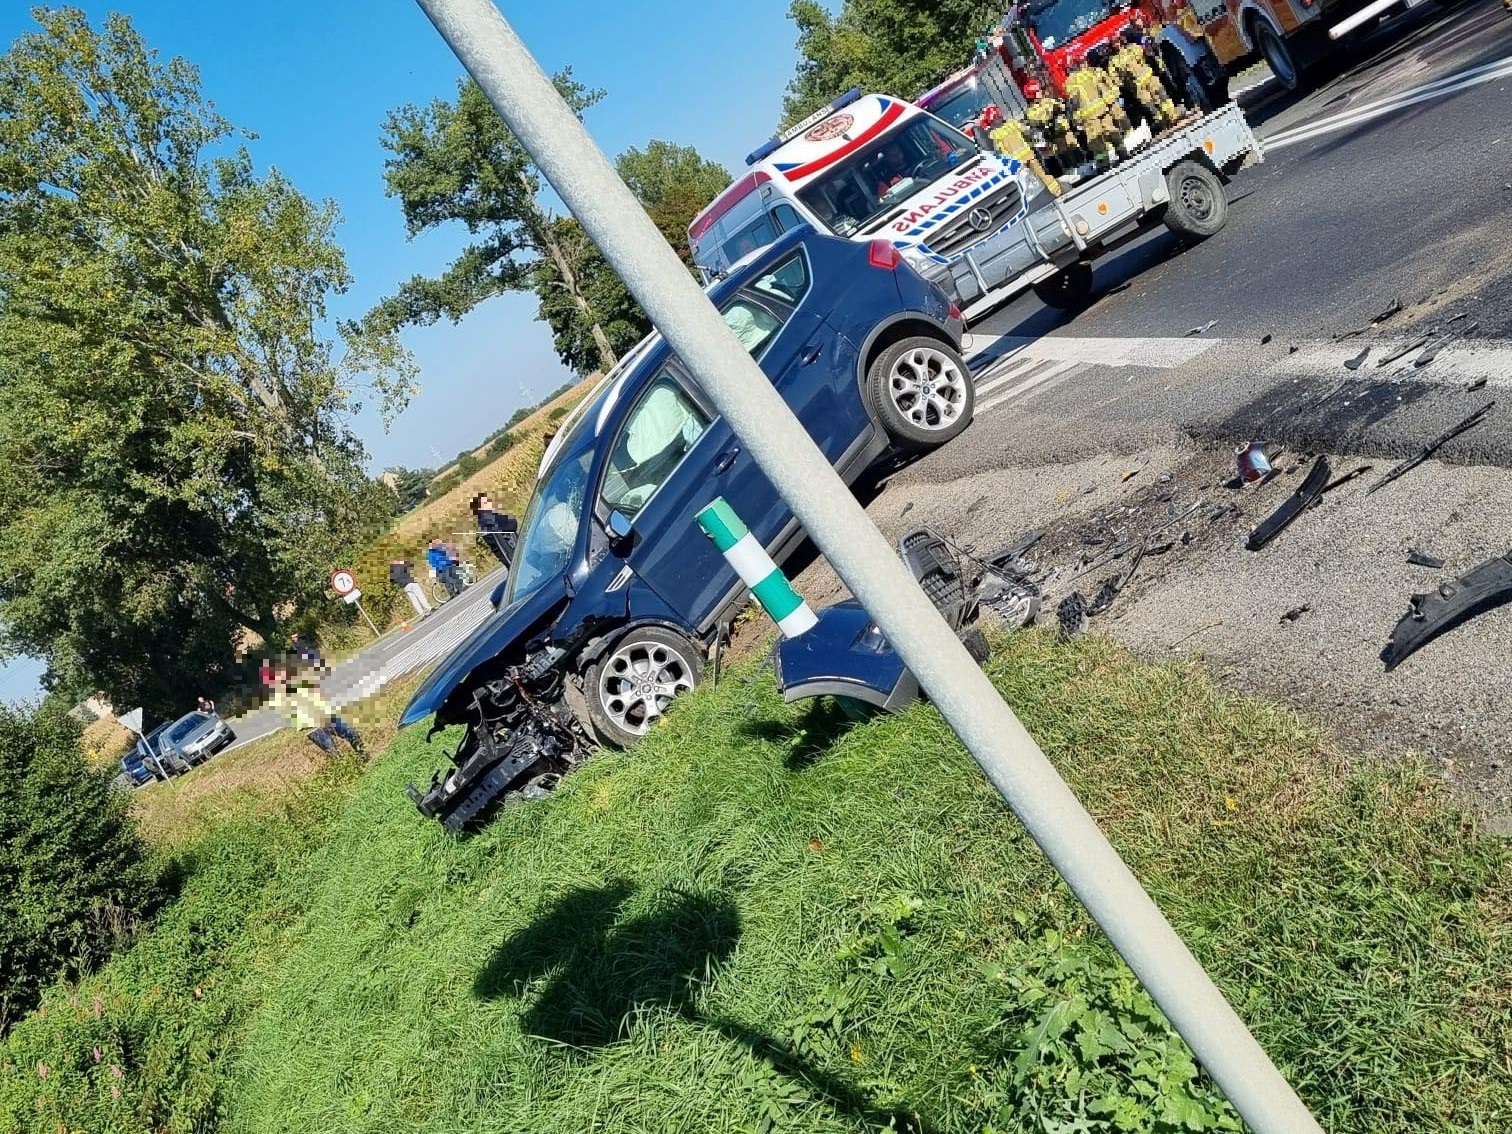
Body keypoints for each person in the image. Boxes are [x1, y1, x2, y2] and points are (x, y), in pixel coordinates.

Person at [269, 660, 365, 759]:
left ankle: (364, 757)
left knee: (351, 734)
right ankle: (350, 769)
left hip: (328, 717)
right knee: (333, 753)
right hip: (312, 726)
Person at [1110, 26, 1179, 133]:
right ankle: (1164, 124)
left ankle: (1173, 117)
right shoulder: (1113, 61)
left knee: (1162, 97)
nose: (1117, 44)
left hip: (1150, 78)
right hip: (1138, 87)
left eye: (1118, 41)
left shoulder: (1133, 47)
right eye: (1114, 43)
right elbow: (1115, 78)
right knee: (1151, 106)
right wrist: (1127, 83)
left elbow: (1145, 54)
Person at [987, 109, 1063, 197]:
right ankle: (1056, 191)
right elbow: (1027, 131)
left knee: (1028, 182)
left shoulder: (994, 134)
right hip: (1027, 156)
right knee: (1041, 175)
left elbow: (998, 152)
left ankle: (1047, 195)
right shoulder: (1012, 123)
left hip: (1017, 163)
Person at [1023, 78, 1085, 176]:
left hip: (1065, 130)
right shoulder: (1031, 111)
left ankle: (1083, 165)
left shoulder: (1048, 101)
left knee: (1074, 147)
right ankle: (1071, 171)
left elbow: (1062, 106)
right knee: (1063, 152)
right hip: (1055, 135)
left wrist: (1064, 105)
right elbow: (1040, 120)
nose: (1041, 92)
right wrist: (1051, 112)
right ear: (1033, 95)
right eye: (1038, 91)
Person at [471, 493, 519, 568]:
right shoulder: (489, 519)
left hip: (507, 556)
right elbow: (512, 525)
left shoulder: (483, 522)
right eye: (486, 503)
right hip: (511, 554)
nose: (489, 503)